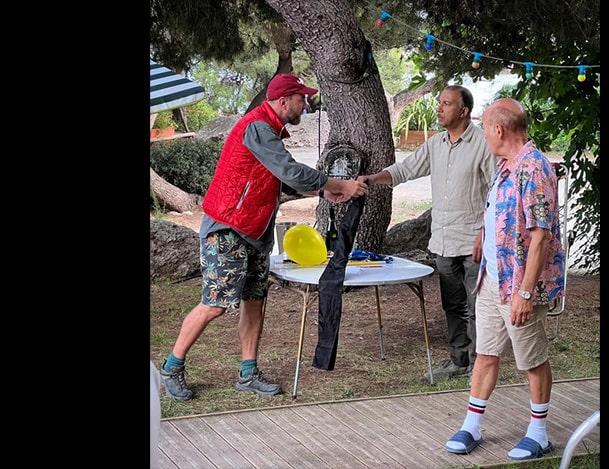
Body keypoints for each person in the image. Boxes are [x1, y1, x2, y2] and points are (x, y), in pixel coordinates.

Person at [160, 73, 369, 400]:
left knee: (255, 301)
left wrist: (323, 193)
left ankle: (248, 373)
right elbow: (291, 171)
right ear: (284, 101)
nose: (306, 104)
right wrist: (338, 185)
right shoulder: (257, 126)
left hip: (254, 231)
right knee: (215, 304)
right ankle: (171, 367)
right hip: (228, 227)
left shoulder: (268, 129)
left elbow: (276, 177)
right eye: (302, 98)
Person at [445, 98, 565, 460]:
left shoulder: (534, 168)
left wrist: (525, 294)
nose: (484, 136)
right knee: (485, 354)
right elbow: (501, 210)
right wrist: (484, 233)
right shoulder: (505, 165)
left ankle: (539, 433)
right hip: (491, 280)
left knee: (531, 359)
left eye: (484, 129)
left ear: (498, 130)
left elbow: (541, 236)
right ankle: (472, 425)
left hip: (519, 286)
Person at [357, 85, 494, 381]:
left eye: (446, 104)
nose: (439, 108)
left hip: (475, 242)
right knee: (453, 305)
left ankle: (479, 366)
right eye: (439, 103)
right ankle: (458, 360)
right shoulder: (436, 144)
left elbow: (497, 193)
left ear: (464, 111)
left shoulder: (483, 144)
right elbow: (405, 169)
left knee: (477, 306)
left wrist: (487, 233)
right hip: (443, 241)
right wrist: (373, 178)